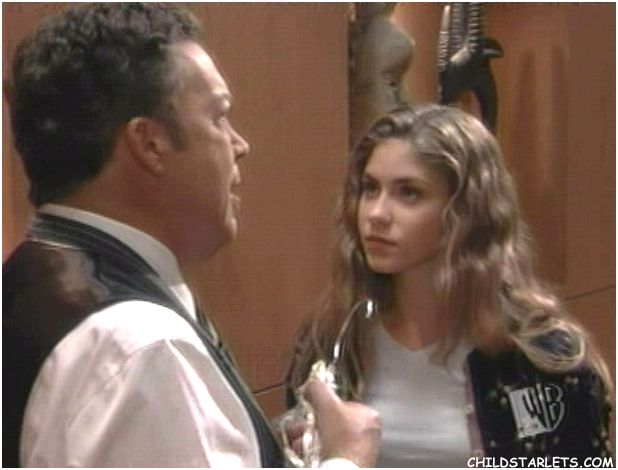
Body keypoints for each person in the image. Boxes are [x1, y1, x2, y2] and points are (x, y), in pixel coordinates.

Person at [3, 3, 380, 467]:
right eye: (219, 117)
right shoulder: (140, 345)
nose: (240, 145)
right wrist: (346, 458)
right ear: (151, 144)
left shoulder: (30, 275)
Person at [287, 104, 613, 467]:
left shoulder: (543, 358)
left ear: (465, 211)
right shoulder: (332, 340)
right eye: (370, 189)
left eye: (409, 193)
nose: (376, 214)